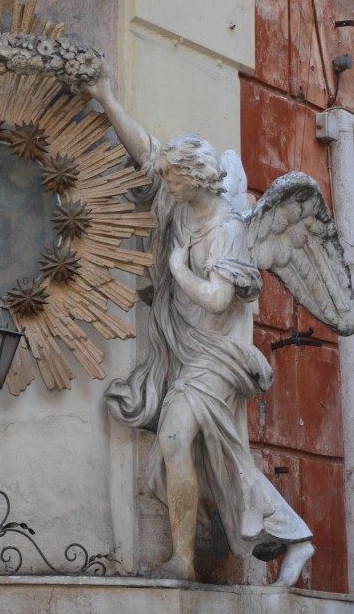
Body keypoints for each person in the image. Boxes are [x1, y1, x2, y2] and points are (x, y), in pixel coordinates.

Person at [89, 69, 314, 586]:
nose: (160, 185)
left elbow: (217, 297)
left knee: (176, 439)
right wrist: (105, 97)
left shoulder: (229, 229)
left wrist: (178, 271)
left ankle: (184, 562)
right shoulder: (181, 204)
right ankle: (294, 538)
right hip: (187, 352)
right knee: (222, 458)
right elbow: (146, 155)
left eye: (170, 178)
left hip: (218, 356)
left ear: (191, 177)